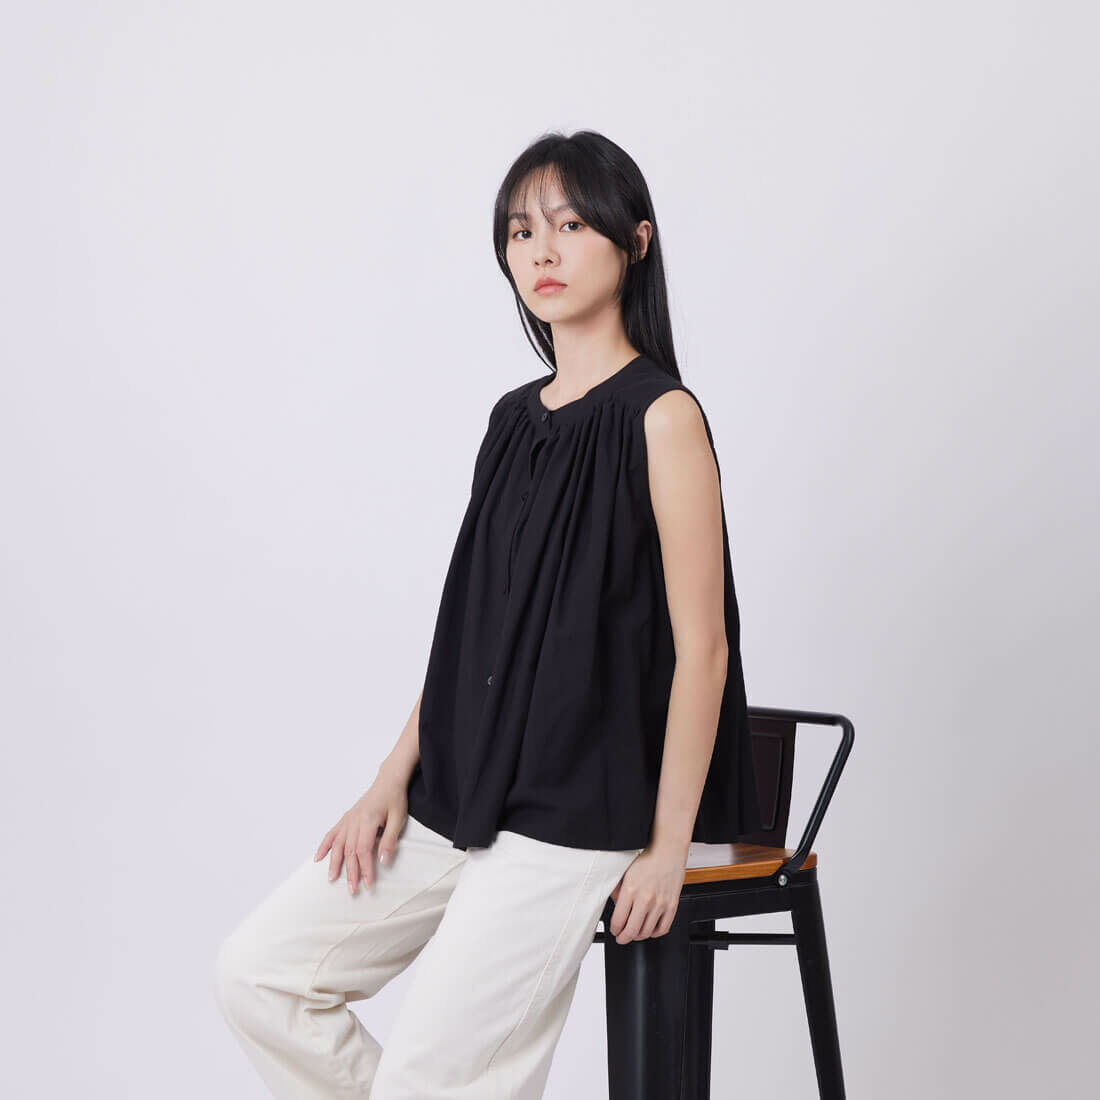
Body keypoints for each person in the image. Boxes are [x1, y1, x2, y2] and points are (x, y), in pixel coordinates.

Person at [213, 129, 762, 1099]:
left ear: (634, 240)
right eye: (519, 231)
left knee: (428, 1078)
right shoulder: (512, 420)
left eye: (568, 225)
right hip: (459, 785)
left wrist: (667, 846)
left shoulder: (662, 417)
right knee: (259, 975)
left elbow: (703, 650)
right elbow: (473, 632)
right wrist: (390, 776)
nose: (540, 251)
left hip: (573, 809)